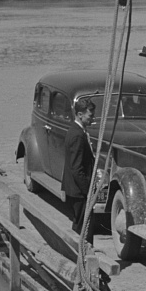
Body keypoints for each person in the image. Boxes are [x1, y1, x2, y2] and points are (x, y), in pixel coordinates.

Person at [62, 97, 96, 235]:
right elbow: (76, 168)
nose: (92, 118)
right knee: (83, 228)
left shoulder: (75, 131)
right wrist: (88, 191)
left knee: (79, 225)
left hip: (74, 189)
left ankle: (78, 254)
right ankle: (83, 254)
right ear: (80, 115)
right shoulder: (77, 136)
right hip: (79, 192)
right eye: (90, 115)